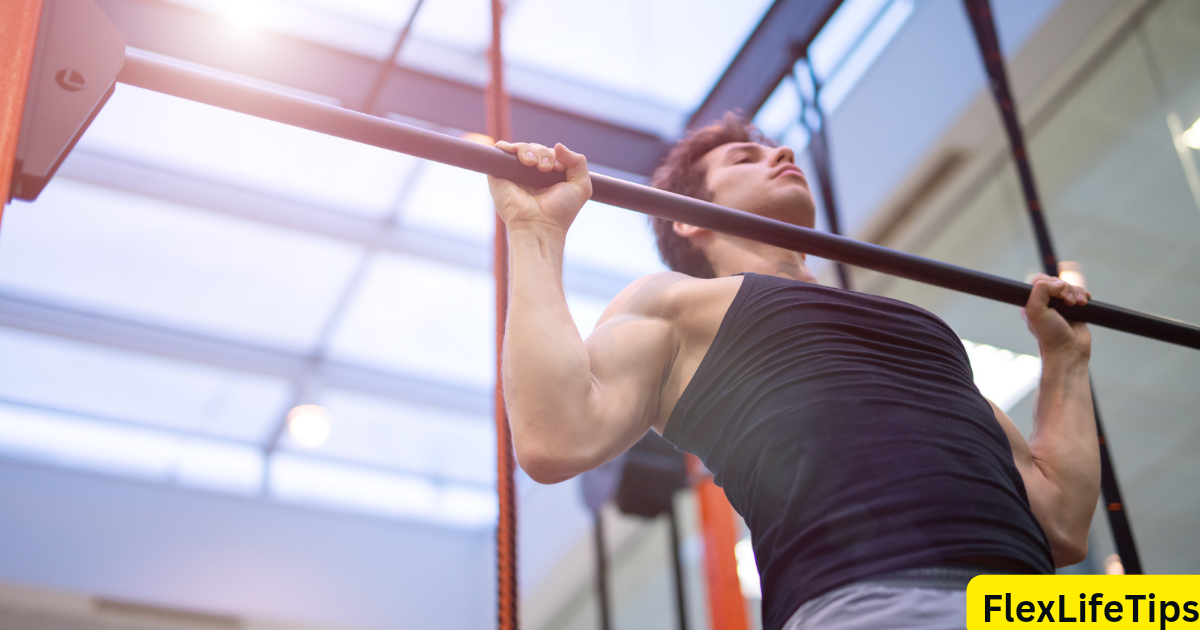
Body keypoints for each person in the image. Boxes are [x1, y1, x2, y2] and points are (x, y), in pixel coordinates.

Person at [486, 114, 1100, 630]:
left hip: (1038, 609)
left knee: (1170, 605)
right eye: (744, 159)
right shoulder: (675, 302)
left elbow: (1060, 518)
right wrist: (535, 230)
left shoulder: (916, 327)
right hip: (869, 602)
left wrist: (1065, 360)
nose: (780, 151)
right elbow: (554, 437)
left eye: (773, 147)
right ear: (689, 218)